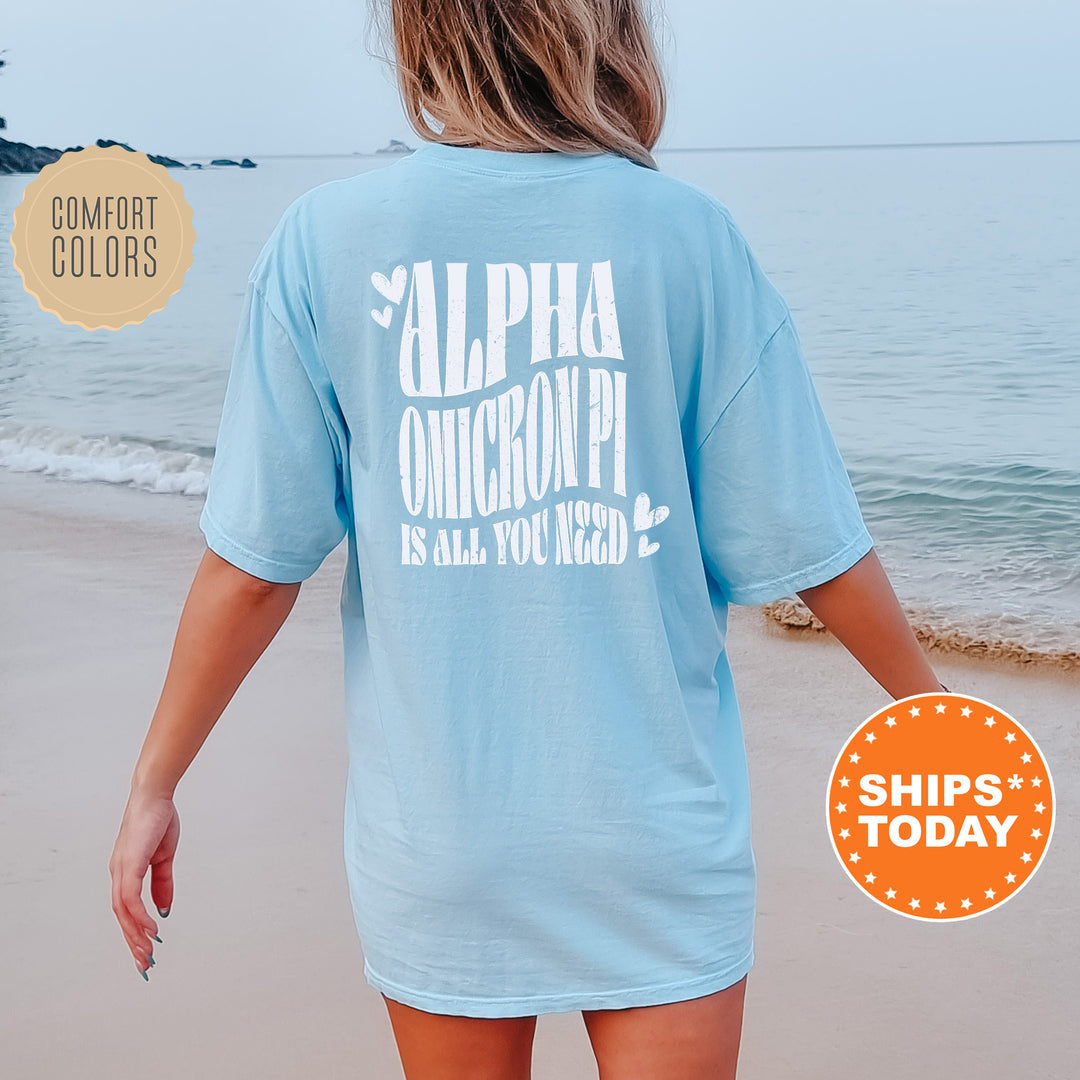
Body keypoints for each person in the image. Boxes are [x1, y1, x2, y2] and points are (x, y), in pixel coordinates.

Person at [109, 1, 946, 1076]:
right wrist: (935, 718)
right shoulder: (688, 237)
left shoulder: (325, 242)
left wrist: (154, 784)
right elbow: (813, 543)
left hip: (443, 840)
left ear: (420, 33)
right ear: (608, 30)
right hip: (654, 838)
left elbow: (253, 569)